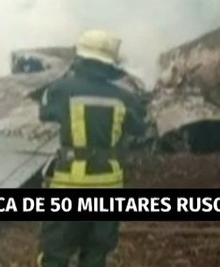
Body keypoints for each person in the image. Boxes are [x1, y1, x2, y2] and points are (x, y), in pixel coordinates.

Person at [36, 30, 148, 267]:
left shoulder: (61, 90)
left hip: (69, 185)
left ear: (80, 58)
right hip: (108, 186)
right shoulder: (125, 98)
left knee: (55, 253)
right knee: (96, 255)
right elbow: (140, 127)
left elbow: (45, 113)